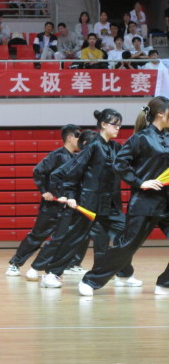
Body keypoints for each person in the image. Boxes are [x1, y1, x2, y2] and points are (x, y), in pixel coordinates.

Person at [39, 109, 139, 289]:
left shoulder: (116, 148)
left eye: (120, 125)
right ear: (103, 125)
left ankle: (123, 274)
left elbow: (130, 164)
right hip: (88, 203)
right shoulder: (92, 146)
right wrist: (69, 196)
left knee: (126, 235)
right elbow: (72, 172)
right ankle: (52, 274)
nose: (118, 128)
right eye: (114, 124)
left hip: (110, 205)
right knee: (74, 239)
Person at [79, 97, 169, 296]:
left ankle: (165, 283)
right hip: (146, 202)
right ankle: (91, 280)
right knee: (127, 246)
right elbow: (120, 163)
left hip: (167, 201)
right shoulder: (141, 138)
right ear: (161, 113)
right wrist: (140, 182)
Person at [6, 125, 82, 278]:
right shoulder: (56, 156)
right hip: (51, 206)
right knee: (37, 235)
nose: (81, 140)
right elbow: (38, 171)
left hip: (67, 207)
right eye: (78, 136)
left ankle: (68, 265)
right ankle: (15, 264)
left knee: (65, 237)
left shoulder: (76, 158)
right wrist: (45, 191)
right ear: (69, 138)